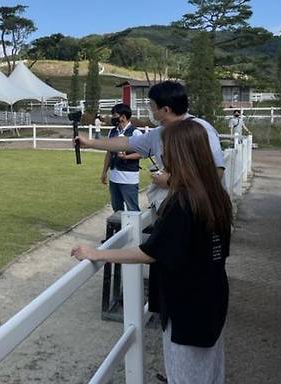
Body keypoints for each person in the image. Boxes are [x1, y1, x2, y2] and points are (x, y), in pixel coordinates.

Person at [72, 119, 232, 384]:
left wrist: (97, 253)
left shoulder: (184, 202)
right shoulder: (214, 195)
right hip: (212, 295)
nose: (163, 155)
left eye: (167, 149)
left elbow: (150, 251)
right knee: (211, 369)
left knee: (187, 375)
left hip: (187, 305)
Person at [76, 81, 225, 211]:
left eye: (152, 106)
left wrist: (170, 182)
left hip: (202, 211)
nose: (150, 109)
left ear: (165, 110)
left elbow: (216, 173)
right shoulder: (159, 133)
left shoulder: (200, 130)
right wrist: (90, 142)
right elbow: (126, 142)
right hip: (176, 210)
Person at [101, 104, 142, 212]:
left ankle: (134, 229)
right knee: (117, 210)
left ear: (123, 117)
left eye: (115, 115)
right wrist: (104, 172)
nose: (112, 118)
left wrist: (127, 156)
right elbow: (109, 153)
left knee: (132, 209)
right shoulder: (112, 132)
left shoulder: (135, 133)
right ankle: (118, 229)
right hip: (114, 177)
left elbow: (142, 153)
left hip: (129, 178)